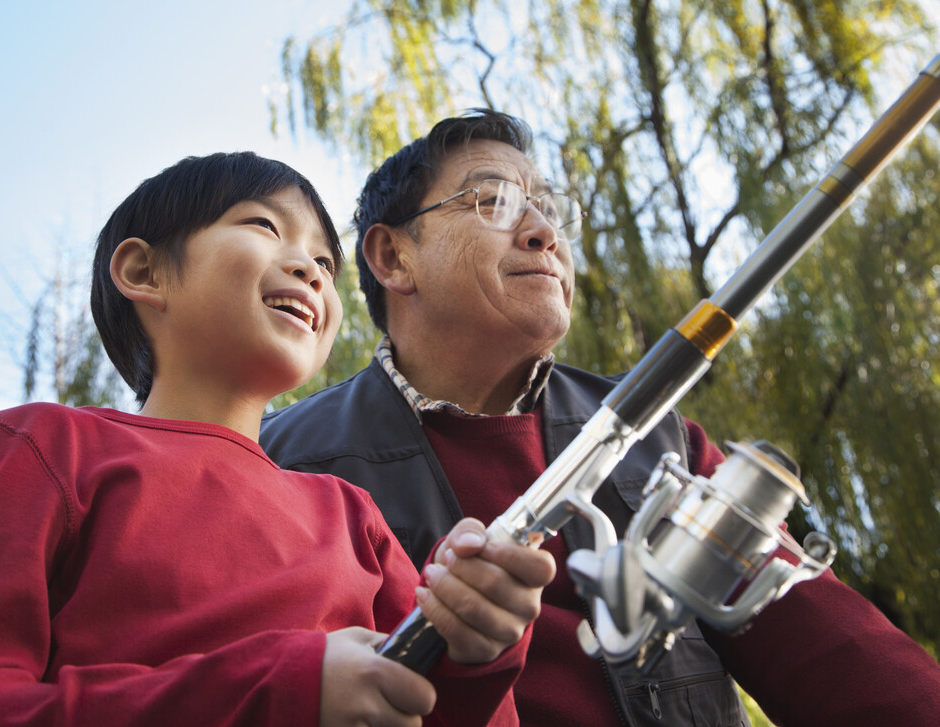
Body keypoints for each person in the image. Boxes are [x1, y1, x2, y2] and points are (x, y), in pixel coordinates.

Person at [260, 110, 940, 725]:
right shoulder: (284, 463)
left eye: (550, 209)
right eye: (494, 200)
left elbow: (833, 648)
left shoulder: (662, 439)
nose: (543, 232)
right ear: (391, 256)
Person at [0, 151, 557, 727]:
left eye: (325, 261)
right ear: (142, 271)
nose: (310, 267)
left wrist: (471, 647)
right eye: (263, 225)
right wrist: (277, 692)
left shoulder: (350, 516)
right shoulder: (41, 448)